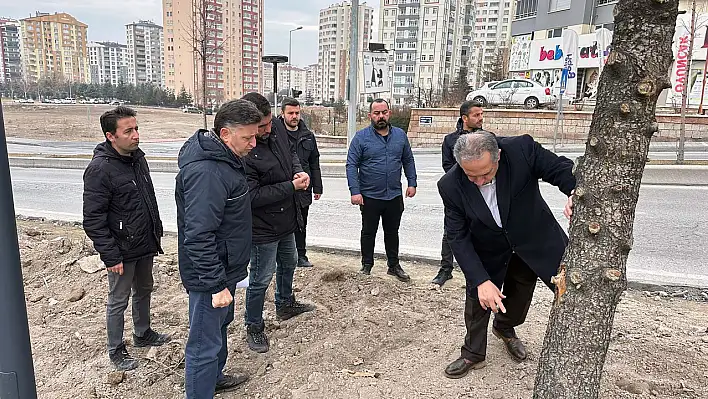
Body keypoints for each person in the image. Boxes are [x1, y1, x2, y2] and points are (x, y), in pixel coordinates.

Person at [437, 131, 575, 379]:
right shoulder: (450, 185)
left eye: (486, 174)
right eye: (471, 176)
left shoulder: (521, 149)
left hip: (531, 239)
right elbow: (457, 236)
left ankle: (504, 327)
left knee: (520, 292)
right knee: (479, 301)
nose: (479, 182)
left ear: (498, 156)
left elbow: (559, 168)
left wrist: (575, 192)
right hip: (486, 249)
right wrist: (481, 281)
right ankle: (473, 353)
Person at [175, 99, 263, 398]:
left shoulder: (226, 160)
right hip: (209, 277)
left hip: (224, 270)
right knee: (204, 343)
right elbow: (198, 235)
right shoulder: (208, 172)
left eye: (255, 136)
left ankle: (214, 379)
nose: (253, 143)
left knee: (219, 329)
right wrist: (215, 285)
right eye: (247, 137)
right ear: (225, 134)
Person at [83, 106, 170, 371]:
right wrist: (110, 255)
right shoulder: (99, 169)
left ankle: (142, 333)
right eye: (128, 131)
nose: (136, 135)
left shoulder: (137, 159)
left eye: (136, 128)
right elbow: (93, 220)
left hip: (144, 243)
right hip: (120, 250)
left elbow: (146, 201)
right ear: (111, 136)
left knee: (144, 289)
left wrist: (155, 233)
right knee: (118, 300)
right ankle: (116, 349)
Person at [242, 92, 316, 354]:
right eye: (260, 126)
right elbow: (252, 196)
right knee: (261, 278)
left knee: (290, 261)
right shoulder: (245, 151)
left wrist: (298, 170)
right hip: (262, 227)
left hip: (286, 219)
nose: (267, 129)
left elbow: (292, 155)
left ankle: (285, 303)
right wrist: (290, 186)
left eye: (269, 122)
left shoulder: (277, 132)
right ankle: (254, 325)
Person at [346, 98, 417, 282]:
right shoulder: (361, 138)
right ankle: (366, 265)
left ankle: (393, 265)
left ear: (389, 113)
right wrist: (355, 191)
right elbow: (351, 165)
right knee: (368, 232)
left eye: (384, 112)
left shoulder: (400, 136)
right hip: (369, 196)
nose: (381, 116)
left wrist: (412, 182)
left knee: (392, 232)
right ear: (370, 116)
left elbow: (408, 160)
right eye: (376, 113)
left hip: (394, 195)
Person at [432, 100, 484, 286]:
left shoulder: (487, 138)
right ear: (465, 118)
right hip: (459, 195)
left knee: (481, 232)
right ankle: (446, 269)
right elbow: (447, 166)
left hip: (483, 193)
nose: (480, 118)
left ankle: (479, 273)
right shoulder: (450, 140)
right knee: (451, 232)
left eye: (481, 114)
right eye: (476, 115)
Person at [279, 97, 323, 268]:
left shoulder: (308, 136)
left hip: (304, 188)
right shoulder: (277, 135)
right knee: (283, 222)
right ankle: (282, 257)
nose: (294, 116)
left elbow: (314, 163)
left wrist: (317, 187)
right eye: (290, 113)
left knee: (301, 223)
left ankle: (301, 255)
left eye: (297, 113)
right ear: (283, 114)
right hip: (283, 187)